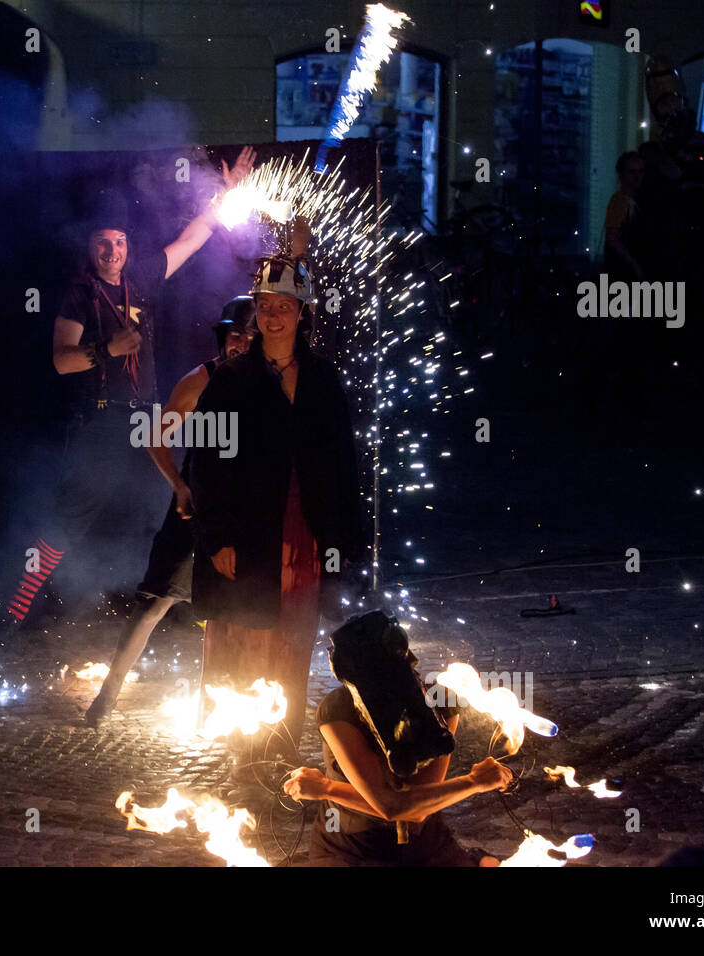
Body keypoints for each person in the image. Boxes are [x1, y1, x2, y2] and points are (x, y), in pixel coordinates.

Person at [2, 147, 256, 625]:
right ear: (90, 247)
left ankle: (183, 609)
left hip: (145, 416)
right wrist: (107, 350)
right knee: (68, 520)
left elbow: (193, 238)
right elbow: (60, 361)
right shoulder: (79, 294)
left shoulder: (140, 277)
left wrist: (227, 192)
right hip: (102, 420)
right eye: (102, 243)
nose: (112, 251)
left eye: (118, 242)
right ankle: (14, 613)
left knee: (178, 503)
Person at [190, 252, 367, 765]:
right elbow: (207, 463)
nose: (273, 315)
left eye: (284, 305)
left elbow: (341, 461)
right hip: (250, 532)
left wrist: (345, 535)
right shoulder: (231, 380)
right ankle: (248, 756)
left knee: (293, 640)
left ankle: (283, 751)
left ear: (301, 312)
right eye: (265, 305)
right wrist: (218, 536)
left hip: (304, 531)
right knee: (248, 637)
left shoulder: (321, 379)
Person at [83, 300, 255, 725]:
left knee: (238, 609)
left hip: (249, 513)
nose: (243, 345)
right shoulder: (199, 381)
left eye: (252, 338)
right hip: (198, 508)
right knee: (156, 601)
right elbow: (154, 438)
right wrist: (180, 486)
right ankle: (107, 695)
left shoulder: (272, 384)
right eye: (236, 335)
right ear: (223, 336)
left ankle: (219, 708)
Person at [282, 611, 513, 866]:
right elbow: (390, 806)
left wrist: (327, 789)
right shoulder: (338, 708)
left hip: (423, 842)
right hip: (353, 844)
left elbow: (418, 807)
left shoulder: (440, 701)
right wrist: (473, 782)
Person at [604, 151, 647, 281]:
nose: (637, 177)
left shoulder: (635, 201)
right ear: (621, 174)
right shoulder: (620, 201)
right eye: (632, 172)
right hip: (622, 272)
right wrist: (634, 265)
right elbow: (612, 238)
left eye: (640, 172)